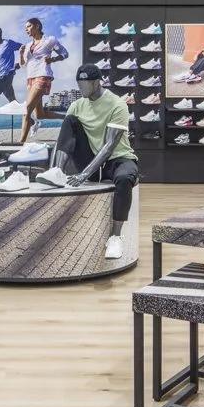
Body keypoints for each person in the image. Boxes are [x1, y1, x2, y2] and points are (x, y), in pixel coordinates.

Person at [52, 64, 140, 261]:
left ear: (95, 82)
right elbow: (64, 139)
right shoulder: (77, 105)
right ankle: (56, 172)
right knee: (69, 121)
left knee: (126, 177)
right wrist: (56, 171)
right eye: (78, 84)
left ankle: (115, 237)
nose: (81, 88)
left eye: (84, 84)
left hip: (117, 158)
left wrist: (84, 174)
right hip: (91, 158)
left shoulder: (117, 104)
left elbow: (110, 145)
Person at [19, 16, 67, 139]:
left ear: (37, 26)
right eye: (25, 28)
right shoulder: (28, 45)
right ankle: (66, 117)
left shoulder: (49, 40)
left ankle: (19, 144)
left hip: (43, 76)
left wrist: (53, 59)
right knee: (39, 115)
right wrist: (20, 54)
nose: (26, 30)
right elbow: (23, 64)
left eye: (29, 26)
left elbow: (64, 53)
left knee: (26, 111)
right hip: (30, 78)